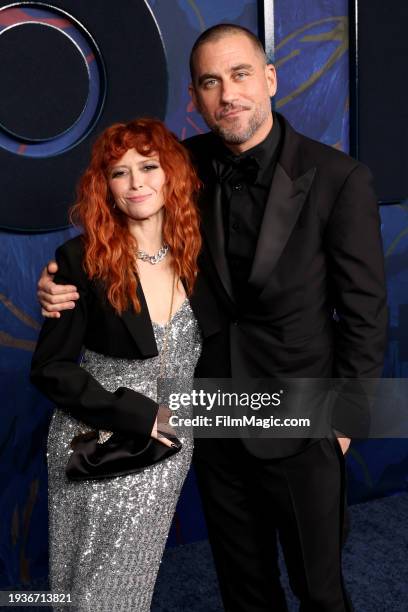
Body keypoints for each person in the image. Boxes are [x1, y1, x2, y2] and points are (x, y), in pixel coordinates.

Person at [37, 25, 388, 612]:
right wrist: (56, 282)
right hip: (209, 414)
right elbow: (120, 226)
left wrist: (345, 421)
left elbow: (364, 311)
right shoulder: (178, 166)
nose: (228, 94)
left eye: (241, 74)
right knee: (243, 588)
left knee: (320, 589)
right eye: (210, 82)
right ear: (197, 101)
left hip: (302, 417)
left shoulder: (338, 179)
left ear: (270, 79)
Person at [30, 117, 210, 611]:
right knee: (87, 589)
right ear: (103, 187)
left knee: (125, 586)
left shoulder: (201, 251)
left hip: (172, 439)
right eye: (119, 172)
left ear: (171, 172)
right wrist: (140, 415)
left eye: (148, 166)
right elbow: (50, 367)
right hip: (97, 435)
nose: (136, 184)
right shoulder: (79, 259)